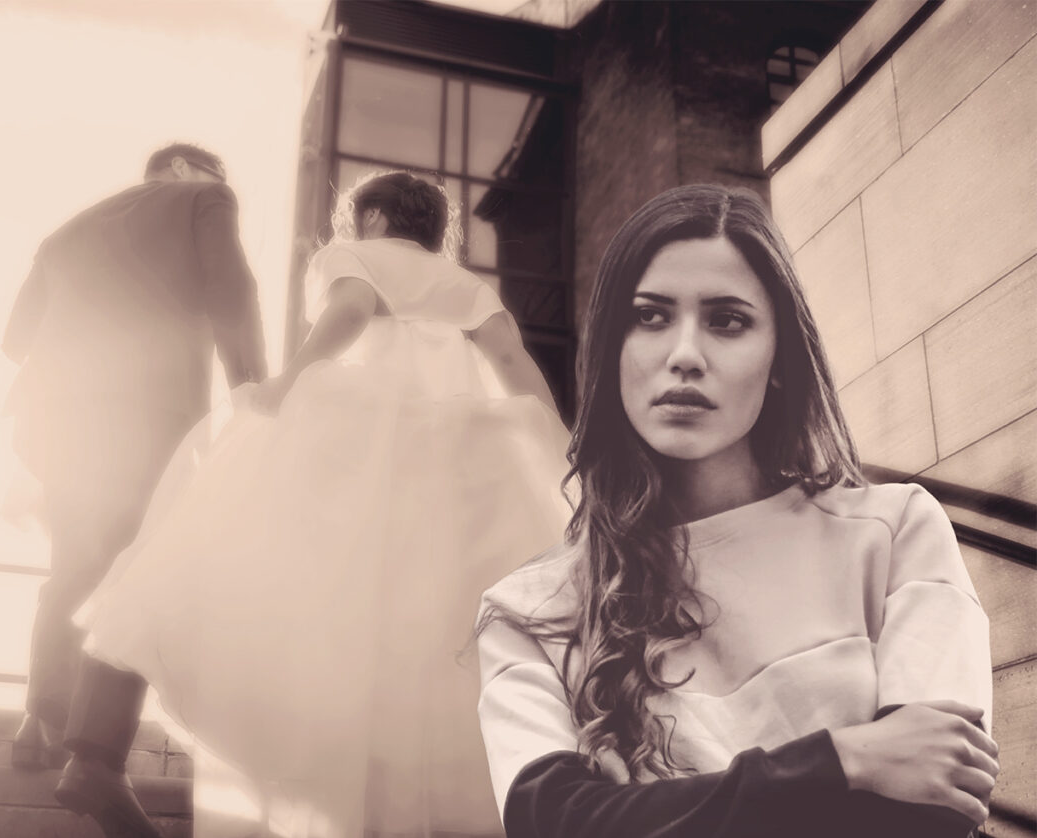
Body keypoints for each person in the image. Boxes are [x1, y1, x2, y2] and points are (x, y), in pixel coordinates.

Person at [475, 184, 998, 838]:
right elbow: (555, 822)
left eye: (727, 321)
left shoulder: (894, 532)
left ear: (779, 357)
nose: (685, 355)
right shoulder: (530, 609)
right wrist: (842, 758)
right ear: (614, 348)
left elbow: (933, 805)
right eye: (651, 316)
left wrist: (667, 812)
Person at [64, 171, 573, 837]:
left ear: (372, 218)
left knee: (243, 555)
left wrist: (291, 381)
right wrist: (559, 441)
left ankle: (98, 745)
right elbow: (511, 359)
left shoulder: (352, 256)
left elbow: (353, 309)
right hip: (448, 455)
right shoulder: (467, 285)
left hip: (355, 442)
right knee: (413, 626)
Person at [1, 142, 267, 777]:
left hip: (59, 423)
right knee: (145, 564)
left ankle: (40, 713)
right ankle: (93, 752)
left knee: (77, 562)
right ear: (178, 168)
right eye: (215, 171)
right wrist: (251, 392)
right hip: (149, 411)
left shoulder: (65, 232)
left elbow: (15, 340)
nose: (223, 185)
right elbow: (232, 289)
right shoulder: (202, 199)